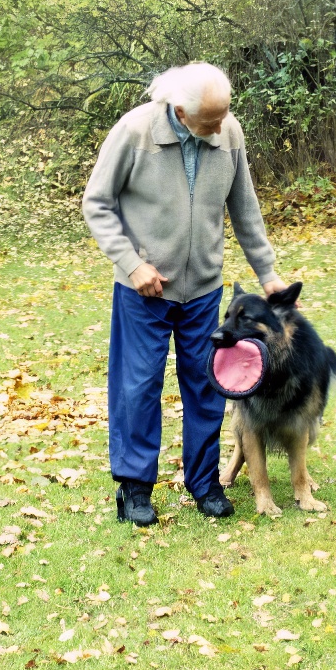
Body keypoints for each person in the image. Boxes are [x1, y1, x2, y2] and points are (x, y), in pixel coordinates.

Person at [82, 62, 288, 526]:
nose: (221, 127)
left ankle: (204, 483)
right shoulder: (134, 131)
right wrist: (132, 263)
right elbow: (96, 203)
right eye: (211, 120)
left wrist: (267, 273)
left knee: (207, 385)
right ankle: (135, 488)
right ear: (179, 109)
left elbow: (245, 208)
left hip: (204, 289)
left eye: (224, 115)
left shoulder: (228, 132)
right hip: (144, 290)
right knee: (138, 386)